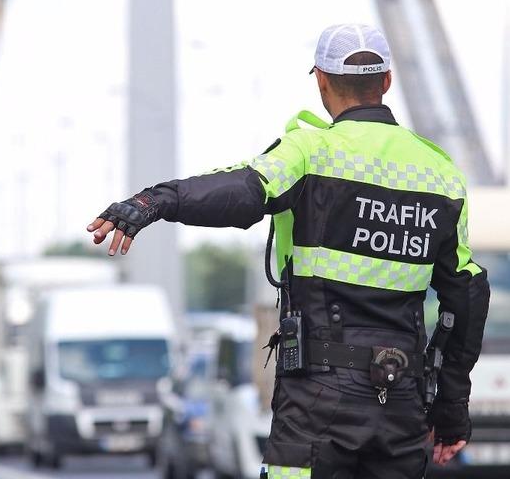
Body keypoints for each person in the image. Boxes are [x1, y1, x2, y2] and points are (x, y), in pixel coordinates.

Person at [87, 24, 489, 478]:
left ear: (321, 80)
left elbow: (241, 190)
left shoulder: (311, 151)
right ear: (387, 81)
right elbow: (467, 295)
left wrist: (154, 201)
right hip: (401, 400)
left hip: (318, 399)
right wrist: (451, 406)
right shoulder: (441, 173)